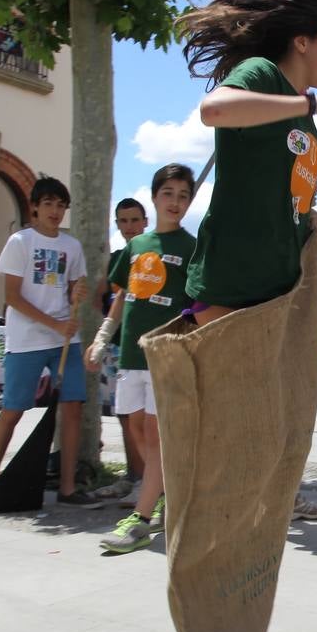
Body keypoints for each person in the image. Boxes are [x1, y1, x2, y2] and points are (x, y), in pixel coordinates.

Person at [179, 0, 317, 521]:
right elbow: (216, 110)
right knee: (230, 442)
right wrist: (310, 105)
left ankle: (237, 548)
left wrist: (312, 225)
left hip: (278, 291)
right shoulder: (263, 77)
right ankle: (195, 542)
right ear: (302, 39)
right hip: (231, 286)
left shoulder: (302, 111)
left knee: (270, 433)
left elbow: (284, 194)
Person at [87, 164, 196, 553]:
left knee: (154, 435)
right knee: (136, 432)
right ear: (155, 197)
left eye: (183, 196)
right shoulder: (136, 247)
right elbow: (120, 298)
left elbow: (199, 305)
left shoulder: (192, 247)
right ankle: (164, 492)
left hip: (165, 359)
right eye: (168, 193)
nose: (176, 202)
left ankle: (142, 518)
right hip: (129, 356)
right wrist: (102, 338)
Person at [0, 177, 98, 509]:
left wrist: (77, 294)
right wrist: (53, 324)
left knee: (73, 407)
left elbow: (74, 287)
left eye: (61, 205)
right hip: (27, 339)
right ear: (34, 207)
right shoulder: (20, 242)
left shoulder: (71, 246)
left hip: (66, 341)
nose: (55, 211)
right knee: (13, 410)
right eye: (48, 204)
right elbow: (12, 297)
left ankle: (68, 487)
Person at [93, 198, 149, 502]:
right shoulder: (117, 259)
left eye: (134, 220)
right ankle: (133, 474)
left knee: (147, 418)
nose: (129, 227)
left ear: (145, 221)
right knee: (125, 416)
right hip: (118, 349)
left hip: (147, 349)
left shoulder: (157, 253)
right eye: (123, 221)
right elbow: (100, 297)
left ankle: (149, 479)